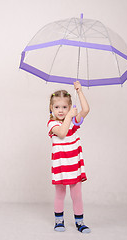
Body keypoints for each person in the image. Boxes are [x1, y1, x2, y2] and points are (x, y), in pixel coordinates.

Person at [47, 81, 91, 233]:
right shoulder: (52, 124)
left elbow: (86, 109)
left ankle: (80, 222)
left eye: (65, 107)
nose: (61, 110)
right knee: (60, 193)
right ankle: (59, 220)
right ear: (51, 108)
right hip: (61, 166)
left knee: (77, 194)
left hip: (74, 165)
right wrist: (69, 117)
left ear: (69, 107)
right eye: (57, 107)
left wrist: (79, 92)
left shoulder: (72, 121)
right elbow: (62, 133)